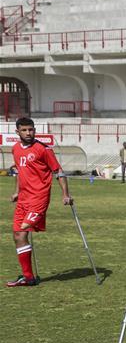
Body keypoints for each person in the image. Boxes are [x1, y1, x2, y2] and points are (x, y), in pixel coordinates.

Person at [7, 117, 74, 287]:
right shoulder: (15, 149)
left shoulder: (44, 149)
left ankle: (28, 278)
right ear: (17, 132)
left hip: (39, 198)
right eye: (24, 130)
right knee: (17, 236)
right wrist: (16, 192)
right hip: (23, 199)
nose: (28, 133)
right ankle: (28, 277)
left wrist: (65, 194)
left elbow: (58, 172)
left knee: (22, 231)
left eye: (31, 129)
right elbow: (19, 172)